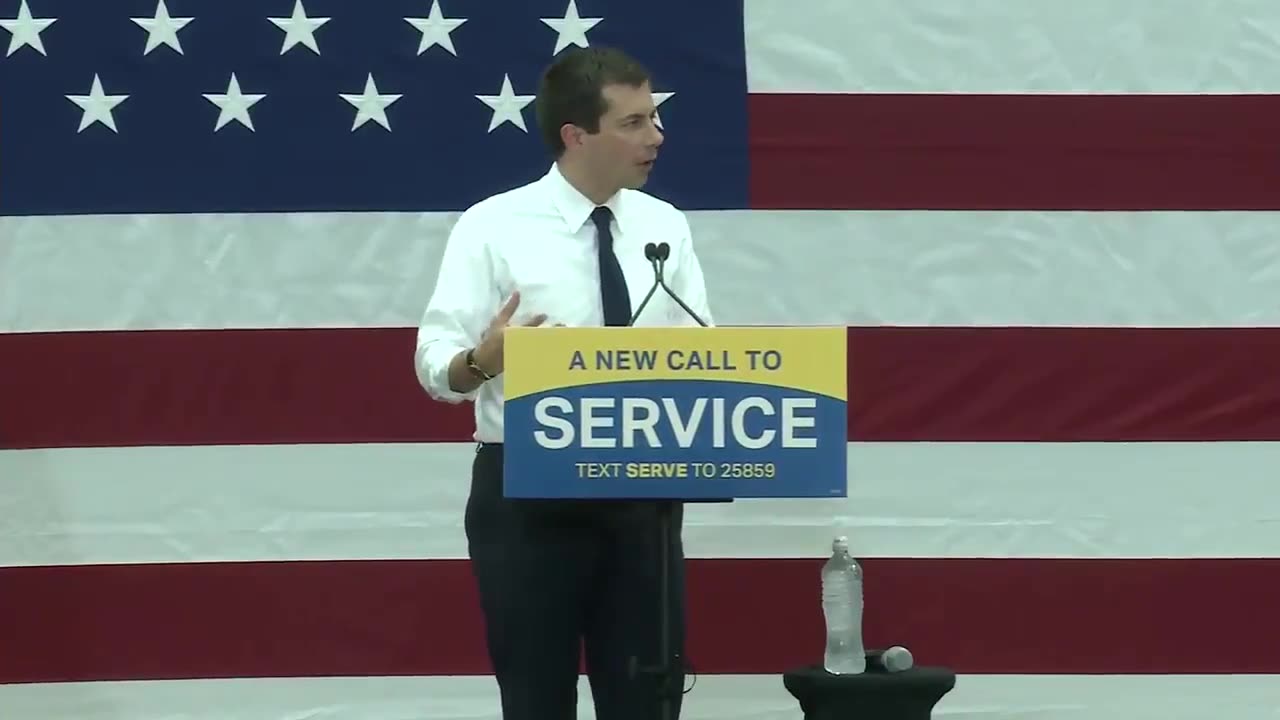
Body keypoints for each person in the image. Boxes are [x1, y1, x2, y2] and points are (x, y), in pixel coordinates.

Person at [413, 46, 715, 720]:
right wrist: (487, 359)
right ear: (577, 136)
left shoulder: (664, 228)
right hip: (527, 495)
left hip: (643, 492)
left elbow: (699, 352)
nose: (656, 137)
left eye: (654, 118)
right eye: (634, 122)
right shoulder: (493, 226)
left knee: (646, 696)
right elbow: (437, 364)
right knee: (537, 699)